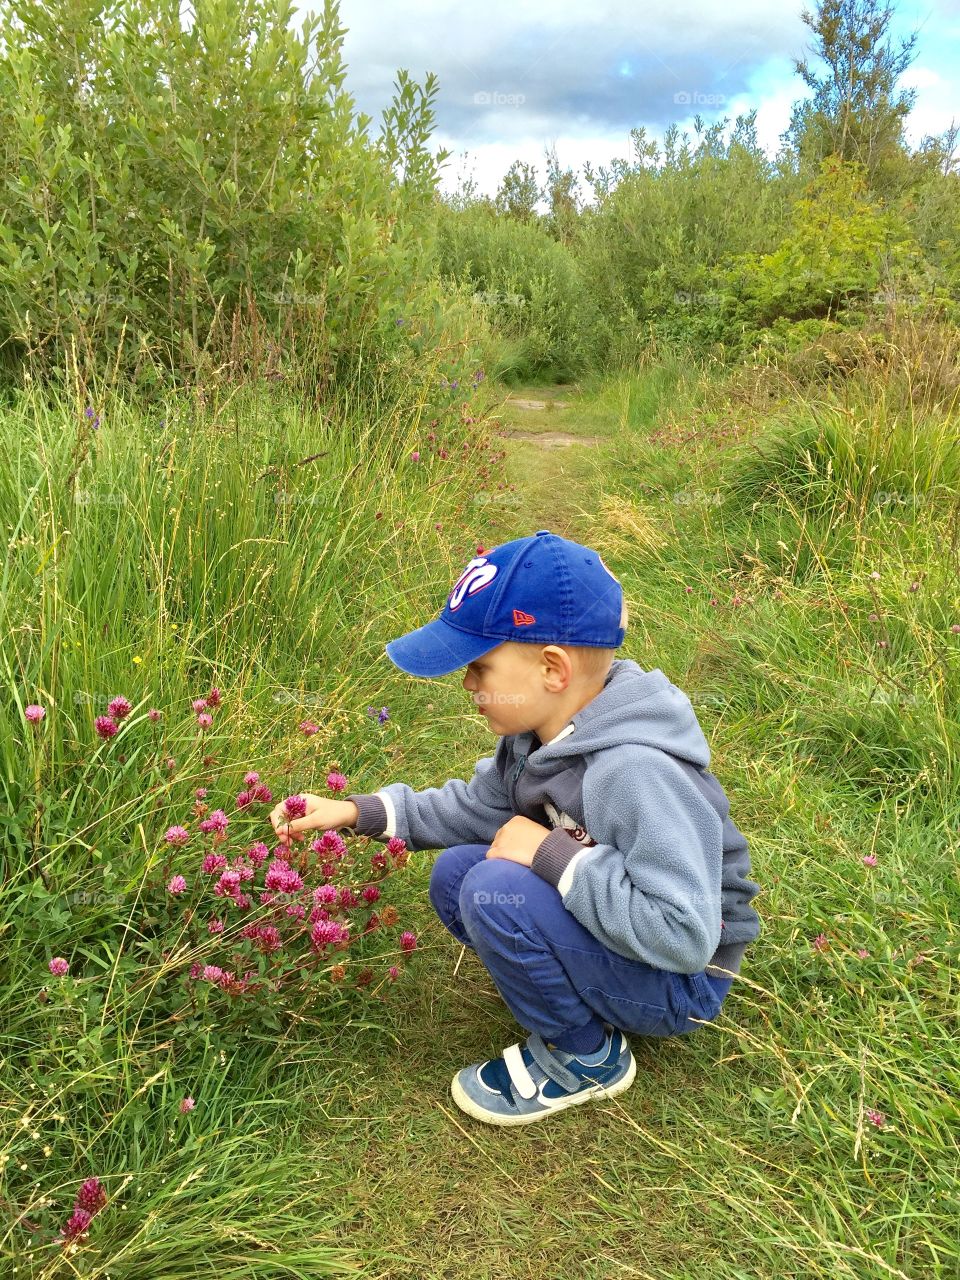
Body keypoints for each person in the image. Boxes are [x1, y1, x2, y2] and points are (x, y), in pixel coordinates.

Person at [269, 529, 762, 1127]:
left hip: (680, 980)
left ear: (552, 669)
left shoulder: (636, 771)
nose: (468, 685)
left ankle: (588, 1058)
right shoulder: (533, 740)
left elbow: (683, 937)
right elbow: (471, 811)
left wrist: (554, 853)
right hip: (627, 932)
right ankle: (575, 992)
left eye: (479, 667)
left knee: (492, 891)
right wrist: (358, 813)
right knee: (459, 874)